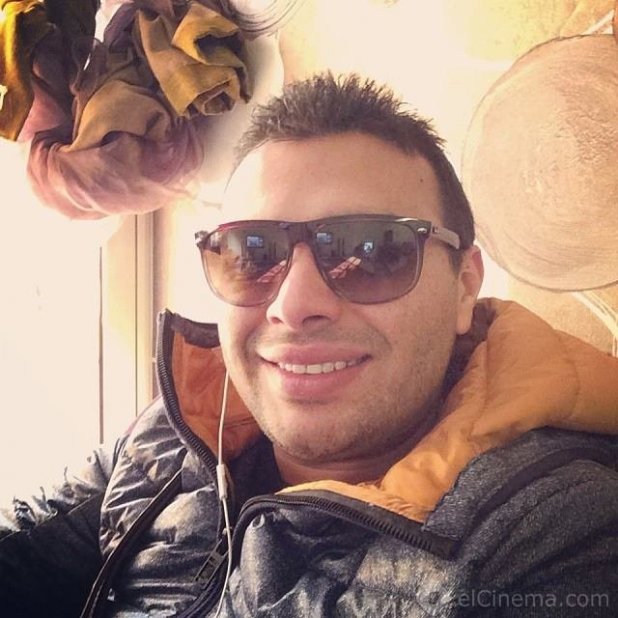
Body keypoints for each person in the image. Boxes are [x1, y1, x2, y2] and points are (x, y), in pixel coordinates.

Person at [1, 72, 617, 618]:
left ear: (464, 287)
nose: (293, 305)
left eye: (370, 251)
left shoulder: (557, 532)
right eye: (252, 252)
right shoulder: (186, 424)